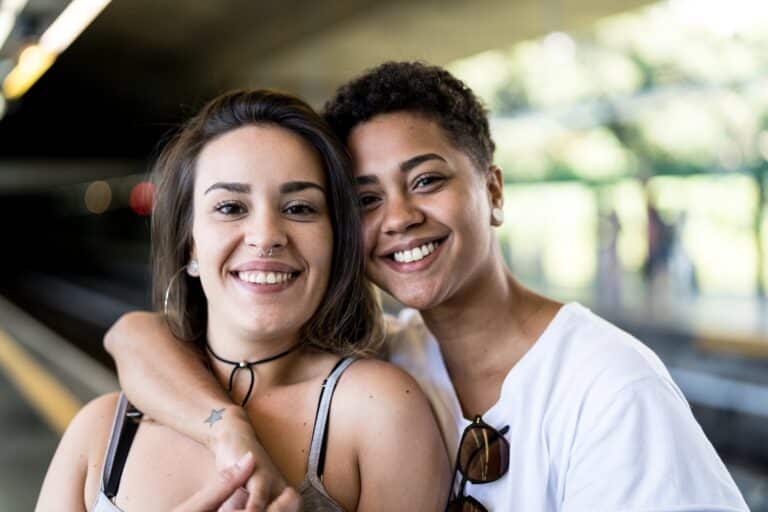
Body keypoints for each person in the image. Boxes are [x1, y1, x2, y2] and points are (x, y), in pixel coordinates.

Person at [104, 63, 749, 512]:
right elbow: (135, 337)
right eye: (365, 198)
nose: (398, 218)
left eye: (427, 181)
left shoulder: (609, 385)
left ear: (493, 190)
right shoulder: (401, 353)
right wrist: (227, 428)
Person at [35, 90, 449, 512]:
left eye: (300, 207)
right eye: (231, 207)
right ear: (189, 245)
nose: (266, 234)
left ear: (336, 241)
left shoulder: (380, 410)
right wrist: (226, 426)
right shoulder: (99, 432)